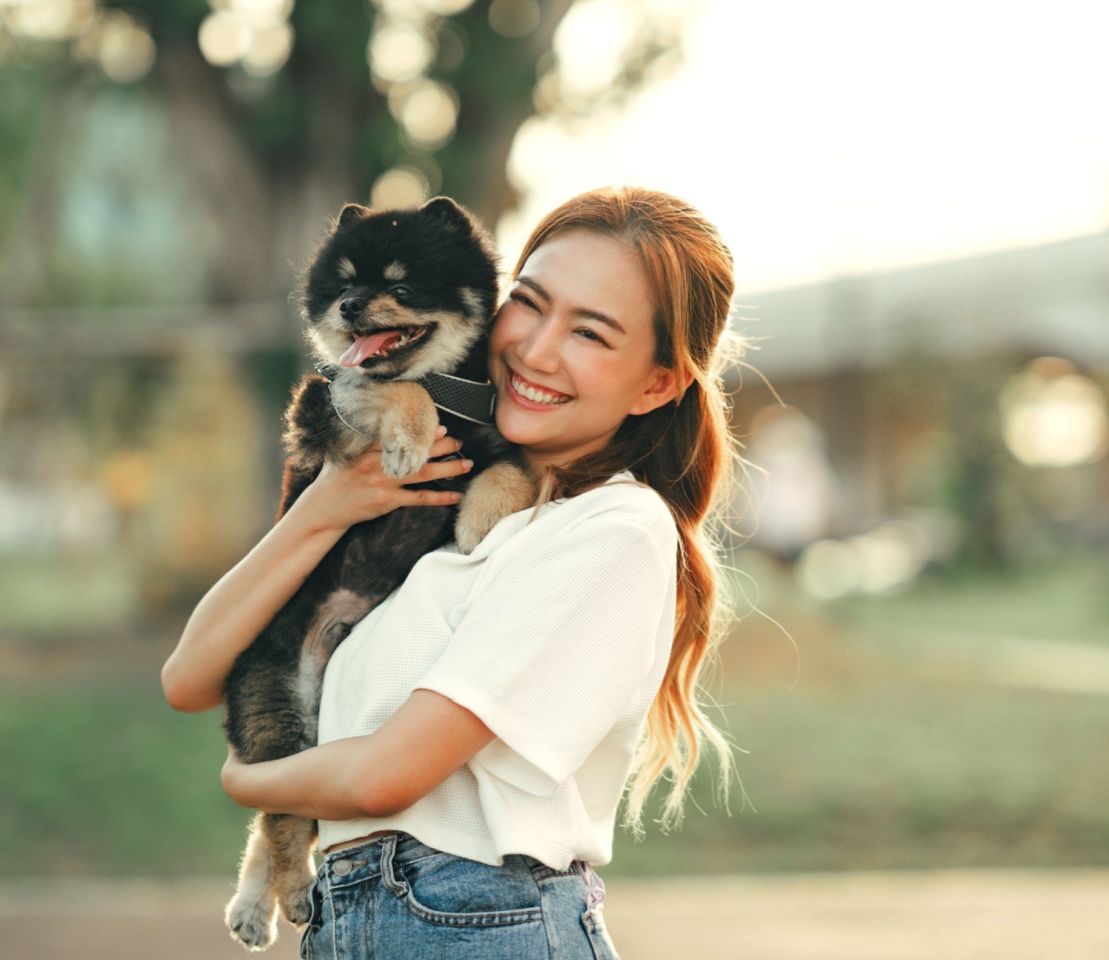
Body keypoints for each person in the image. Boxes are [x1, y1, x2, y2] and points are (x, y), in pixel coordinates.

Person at [162, 187, 739, 959]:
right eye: (530, 304)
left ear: (658, 382)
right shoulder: (432, 500)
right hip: (374, 919)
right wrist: (324, 508)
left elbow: (383, 777)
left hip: (478, 922)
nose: (537, 350)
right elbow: (190, 677)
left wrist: (246, 782)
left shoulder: (613, 531)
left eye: (591, 334)